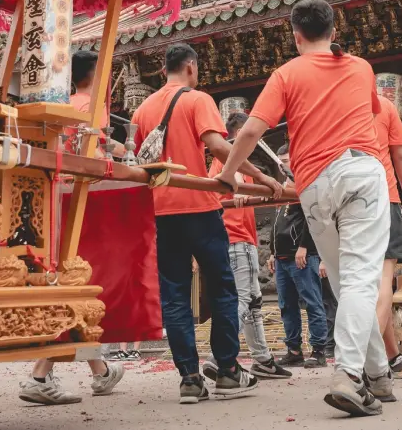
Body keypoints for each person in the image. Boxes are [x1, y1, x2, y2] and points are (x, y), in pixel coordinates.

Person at [217, 0, 392, 417]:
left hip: (313, 186)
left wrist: (227, 173)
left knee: (346, 282)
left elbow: (252, 131)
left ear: (296, 36)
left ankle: (379, 373)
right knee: (360, 280)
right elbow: (371, 111)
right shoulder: (361, 67)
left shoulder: (285, 74)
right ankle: (349, 375)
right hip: (359, 172)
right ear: (334, 30)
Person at [134, 42, 278, 404]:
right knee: (222, 288)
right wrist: (261, 176)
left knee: (175, 293)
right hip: (199, 208)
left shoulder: (143, 108)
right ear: (192, 68)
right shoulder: (197, 99)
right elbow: (218, 146)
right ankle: (228, 371)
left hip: (162, 214)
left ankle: (189, 379)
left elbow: (138, 159)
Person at [21, 51, 127, 406]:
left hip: (57, 198)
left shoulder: (63, 105)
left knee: (76, 282)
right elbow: (91, 156)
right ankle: (40, 373)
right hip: (84, 198)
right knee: (79, 282)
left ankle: (100, 371)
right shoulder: (91, 105)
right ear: (93, 75)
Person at [203, 113, 292, 381]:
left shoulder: (234, 160)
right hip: (236, 238)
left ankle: (262, 359)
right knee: (242, 300)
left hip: (240, 239)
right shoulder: (230, 159)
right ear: (240, 132)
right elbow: (220, 185)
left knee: (253, 302)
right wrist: (240, 192)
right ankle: (220, 356)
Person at [372, 88, 402, 380]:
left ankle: (392, 356)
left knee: (363, 286)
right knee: (383, 282)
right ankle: (366, 362)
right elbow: (401, 155)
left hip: (341, 203)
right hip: (382, 197)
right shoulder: (385, 106)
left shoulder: (332, 107)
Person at [269, 153, 329, 369]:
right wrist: (272, 251)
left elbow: (311, 218)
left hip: (301, 253)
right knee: (287, 306)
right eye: (280, 160)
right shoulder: (283, 187)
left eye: (286, 159)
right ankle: (293, 350)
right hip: (282, 255)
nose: (282, 163)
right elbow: (278, 223)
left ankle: (319, 350)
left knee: (312, 302)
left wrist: (304, 246)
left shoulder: (306, 184)